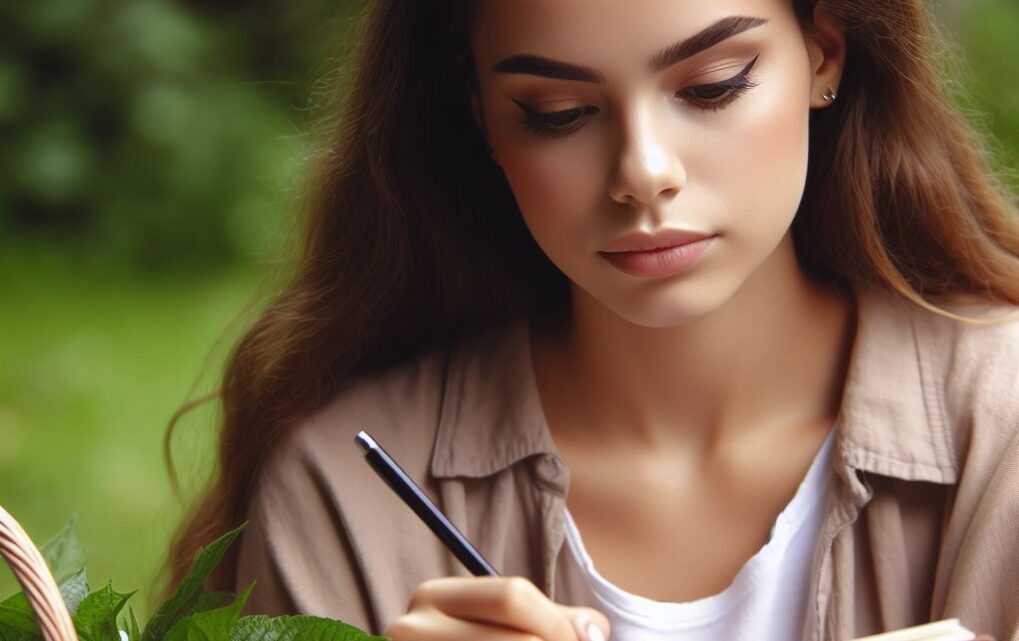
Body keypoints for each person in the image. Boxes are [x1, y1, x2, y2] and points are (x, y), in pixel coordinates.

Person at [163, 1, 1019, 640]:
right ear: (483, 118)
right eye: (557, 113)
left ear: (823, 53)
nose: (642, 173)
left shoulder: (1005, 429)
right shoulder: (344, 489)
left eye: (712, 86)